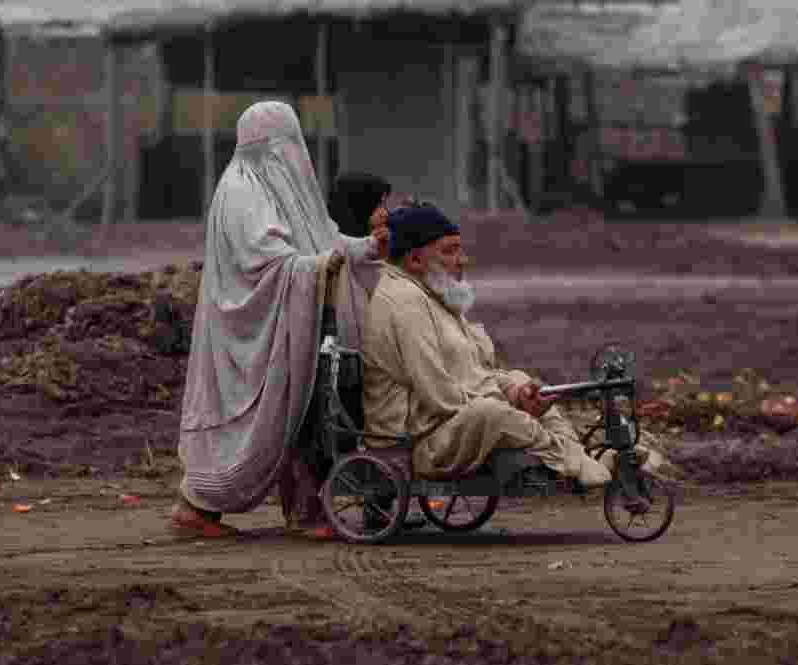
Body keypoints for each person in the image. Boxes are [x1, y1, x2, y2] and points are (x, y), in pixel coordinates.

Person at [170, 101, 387, 540]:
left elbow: (321, 238)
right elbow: (268, 260)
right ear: (266, 146)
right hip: (252, 332)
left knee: (308, 412)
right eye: (285, 144)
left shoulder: (274, 188)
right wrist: (317, 267)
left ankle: (305, 509)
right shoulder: (241, 192)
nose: (293, 154)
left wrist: (364, 248)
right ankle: (197, 507)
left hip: (290, 324)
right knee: (278, 417)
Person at [360, 203, 614, 488]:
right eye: (449, 251)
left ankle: (576, 456)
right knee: (491, 413)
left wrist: (517, 394)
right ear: (415, 259)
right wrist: (509, 405)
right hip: (421, 442)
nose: (462, 260)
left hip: (451, 425)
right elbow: (439, 396)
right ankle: (573, 462)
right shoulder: (403, 300)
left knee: (523, 382)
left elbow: (479, 371)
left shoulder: (432, 294)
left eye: (459, 249)